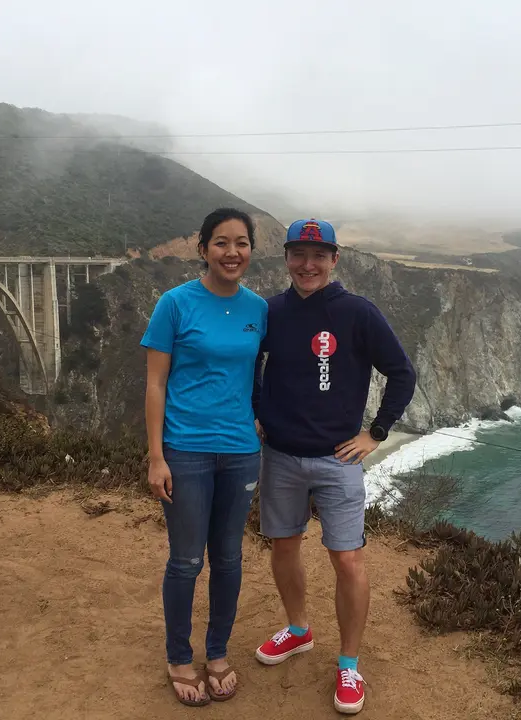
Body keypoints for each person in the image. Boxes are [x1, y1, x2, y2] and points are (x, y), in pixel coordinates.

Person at [252, 218, 416, 715]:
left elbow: (402, 372)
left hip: (337, 459)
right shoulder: (271, 312)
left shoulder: (357, 313)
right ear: (286, 258)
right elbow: (248, 364)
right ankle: (299, 629)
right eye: (299, 254)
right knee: (284, 546)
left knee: (347, 559)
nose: (308, 265)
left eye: (318, 255)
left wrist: (376, 433)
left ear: (334, 260)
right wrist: (257, 410)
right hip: (279, 456)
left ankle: (349, 664)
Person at [141, 207, 268, 707]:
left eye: (240, 243)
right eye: (221, 243)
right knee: (187, 560)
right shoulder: (174, 304)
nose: (231, 252)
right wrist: (156, 456)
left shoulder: (259, 309)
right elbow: (155, 383)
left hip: (241, 452)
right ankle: (178, 656)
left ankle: (217, 653)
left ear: (250, 250)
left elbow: (265, 374)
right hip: (186, 450)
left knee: (230, 558)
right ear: (203, 249)